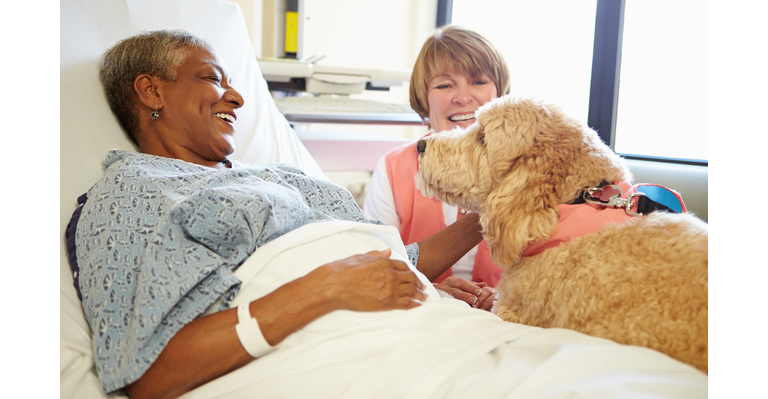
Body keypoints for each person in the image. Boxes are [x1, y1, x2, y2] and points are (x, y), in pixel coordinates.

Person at [71, 29, 488, 399]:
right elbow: (146, 375)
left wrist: (499, 205)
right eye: (214, 79)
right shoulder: (134, 187)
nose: (236, 97)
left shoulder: (278, 174)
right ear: (151, 91)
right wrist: (326, 287)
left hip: (430, 327)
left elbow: (398, 261)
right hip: (349, 353)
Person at [364, 26, 510, 310]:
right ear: (424, 97)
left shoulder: (526, 166)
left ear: (499, 91)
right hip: (426, 313)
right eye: (445, 85)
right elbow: (378, 266)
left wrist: (506, 296)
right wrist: (436, 291)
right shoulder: (393, 169)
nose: (463, 97)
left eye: (478, 81)